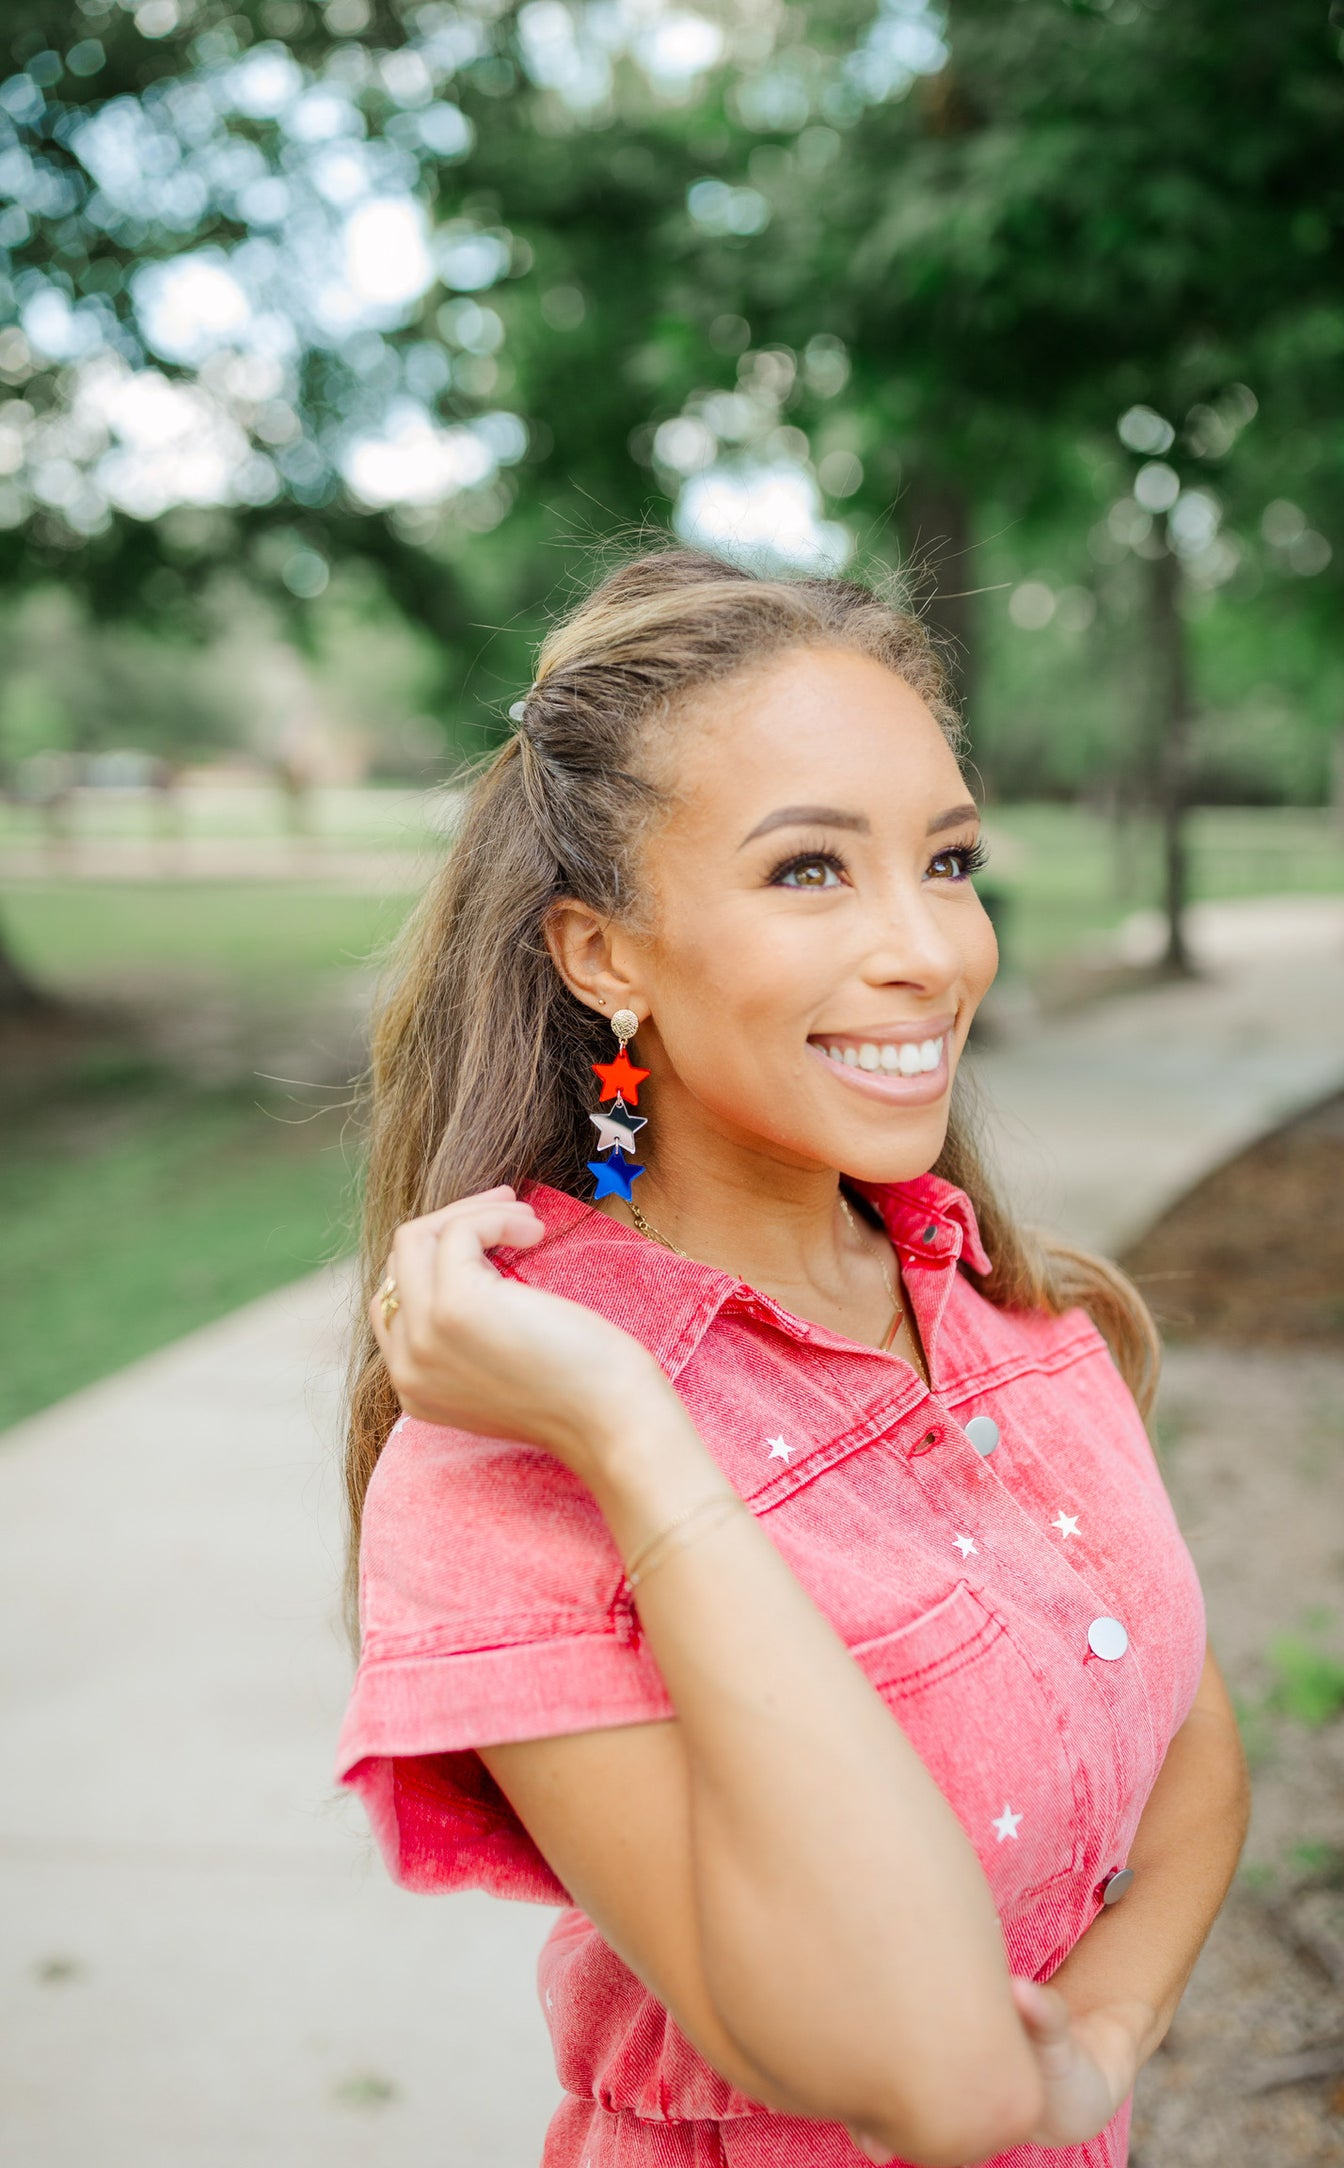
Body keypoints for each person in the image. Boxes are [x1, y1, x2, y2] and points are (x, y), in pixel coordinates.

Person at [335, 548, 1249, 2168]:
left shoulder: (1012, 1312)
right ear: (600, 954)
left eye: (948, 861)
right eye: (810, 871)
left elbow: (1190, 1766)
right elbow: (926, 2075)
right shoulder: (514, 1457)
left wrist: (1092, 2059)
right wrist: (628, 1426)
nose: (931, 952)